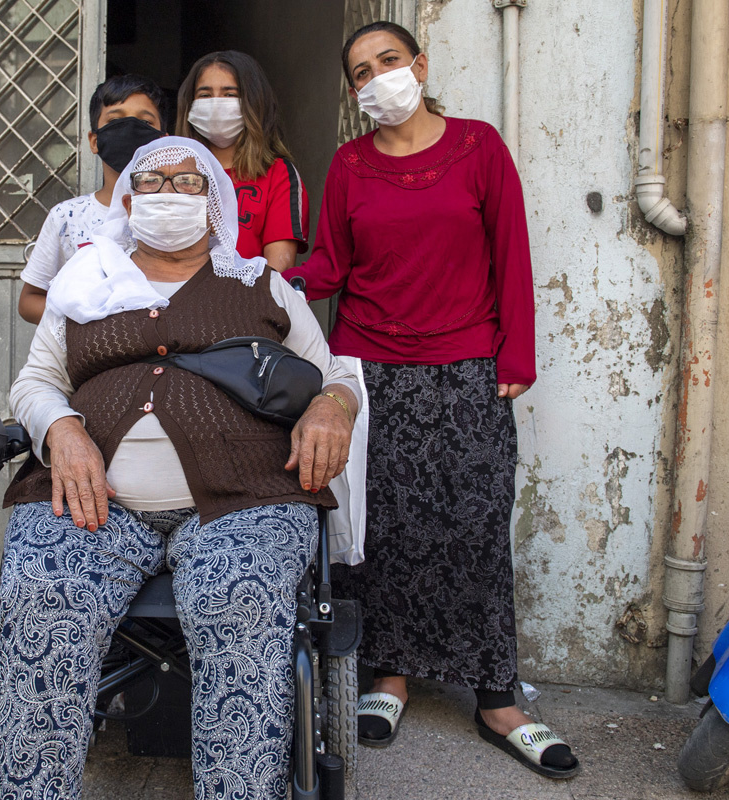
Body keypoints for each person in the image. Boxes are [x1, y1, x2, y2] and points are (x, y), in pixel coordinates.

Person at [0, 136, 361, 800]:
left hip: (245, 497)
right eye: (153, 182)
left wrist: (332, 407)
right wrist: (62, 427)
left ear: (214, 200)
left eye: (188, 183)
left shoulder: (260, 283)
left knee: (236, 597)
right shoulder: (84, 281)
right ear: (128, 201)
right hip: (92, 498)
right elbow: (34, 382)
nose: (169, 194)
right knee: (42, 590)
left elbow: (334, 375)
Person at [284, 21, 580, 780]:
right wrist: (259, 280)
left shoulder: (480, 147)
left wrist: (516, 354)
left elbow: (512, 251)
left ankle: (496, 698)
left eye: (388, 61)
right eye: (360, 72)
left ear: (419, 64)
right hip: (369, 369)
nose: (376, 77)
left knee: (474, 525)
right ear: (353, 92)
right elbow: (333, 264)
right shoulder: (349, 164)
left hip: (466, 365)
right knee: (376, 528)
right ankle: (388, 677)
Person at [17, 74, 169, 323]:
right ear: (94, 141)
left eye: (144, 122)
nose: (130, 129)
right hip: (86, 358)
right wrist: (87, 327)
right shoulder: (67, 217)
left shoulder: (178, 212)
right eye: (116, 120)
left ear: (164, 141)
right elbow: (29, 300)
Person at [176, 51, 308, 272]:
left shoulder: (278, 174)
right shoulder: (170, 174)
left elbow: (278, 271)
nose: (217, 104)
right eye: (205, 95)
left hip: (248, 302)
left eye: (229, 94)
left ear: (254, 102)